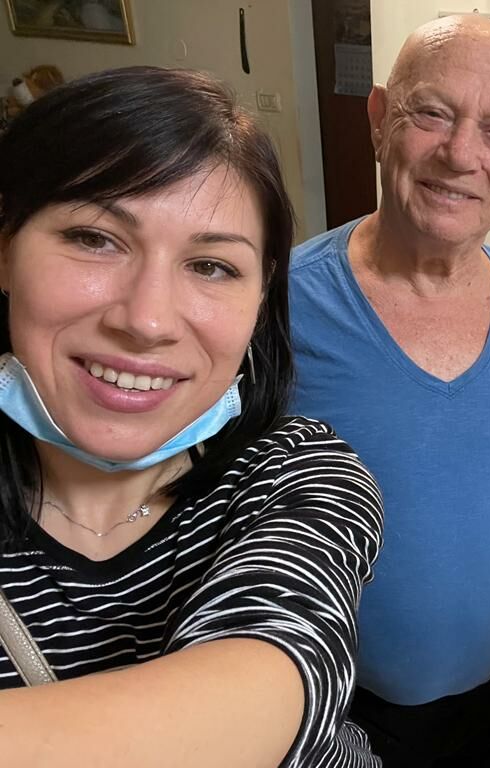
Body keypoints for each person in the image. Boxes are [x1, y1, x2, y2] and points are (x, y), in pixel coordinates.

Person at [0, 67, 383, 768]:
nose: (147, 320)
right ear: (5, 248)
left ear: (261, 297)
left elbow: (267, 690)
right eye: (94, 238)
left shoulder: (296, 475)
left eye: (211, 267)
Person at [289, 14, 490, 766]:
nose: (461, 154)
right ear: (379, 120)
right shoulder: (281, 306)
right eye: (432, 113)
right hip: (337, 707)